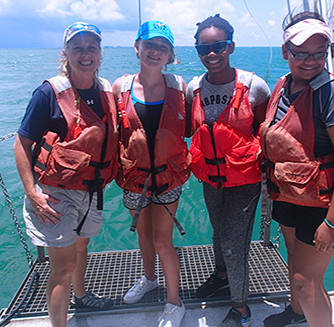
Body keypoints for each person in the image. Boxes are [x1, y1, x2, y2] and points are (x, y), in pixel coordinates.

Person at [259, 10, 334, 327]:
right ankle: (297, 313)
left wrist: (332, 223)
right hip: (290, 196)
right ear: (285, 51)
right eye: (301, 53)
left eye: (320, 54)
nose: (310, 61)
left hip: (322, 205)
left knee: (307, 280)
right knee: (295, 264)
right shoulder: (282, 85)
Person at [13, 22, 118, 327]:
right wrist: (32, 192)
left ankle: (81, 295)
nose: (85, 54)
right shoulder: (48, 92)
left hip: (91, 190)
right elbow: (22, 142)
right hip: (54, 192)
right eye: (78, 47)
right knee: (63, 267)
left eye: (91, 47)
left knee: (82, 247)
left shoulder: (106, 90)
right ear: (65, 53)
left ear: (100, 53)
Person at [186, 14, 271, 327]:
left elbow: (266, 130)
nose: (211, 53)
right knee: (217, 233)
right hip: (211, 178)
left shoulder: (254, 86)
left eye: (218, 46)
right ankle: (221, 276)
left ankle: (241, 309)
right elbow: (189, 129)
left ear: (231, 46)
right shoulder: (194, 87)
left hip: (245, 181)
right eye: (203, 48)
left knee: (235, 244)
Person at [112, 20, 190, 327]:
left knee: (162, 240)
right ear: (137, 47)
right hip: (134, 177)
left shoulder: (180, 87)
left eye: (163, 47)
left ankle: (174, 301)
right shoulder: (121, 86)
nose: (155, 51)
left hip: (168, 175)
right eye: (149, 45)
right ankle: (148, 278)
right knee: (143, 234)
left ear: (170, 54)